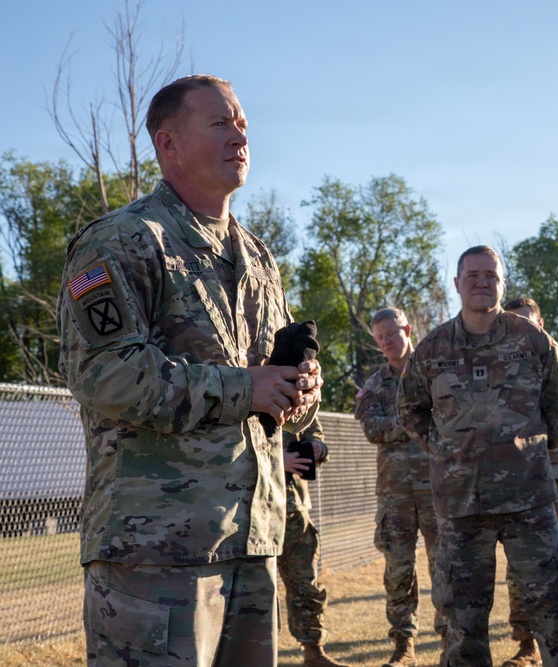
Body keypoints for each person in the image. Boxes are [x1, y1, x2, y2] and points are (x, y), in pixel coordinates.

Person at [57, 74, 323, 666]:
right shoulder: (123, 241)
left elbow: (265, 386)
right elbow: (106, 375)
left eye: (245, 125)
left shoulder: (257, 256)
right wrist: (243, 387)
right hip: (155, 549)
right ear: (168, 143)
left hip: (251, 540)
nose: (241, 136)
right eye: (221, 123)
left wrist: (296, 386)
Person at [397, 245, 558, 667]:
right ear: (457, 284)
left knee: (556, 613)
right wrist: (450, 452)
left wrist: (533, 446)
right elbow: (410, 410)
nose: (482, 282)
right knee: (463, 625)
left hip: (529, 503)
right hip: (461, 506)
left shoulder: (532, 339)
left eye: (491, 276)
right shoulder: (432, 348)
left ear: (502, 283)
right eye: (473, 276)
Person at [500, 297, 558, 667]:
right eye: (513, 322)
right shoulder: (498, 367)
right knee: (517, 566)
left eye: (527, 321)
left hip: (557, 476)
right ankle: (527, 645)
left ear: (540, 323)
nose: (520, 328)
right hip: (514, 479)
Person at [354, 307, 443, 667]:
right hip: (394, 496)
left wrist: (398, 422)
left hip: (439, 491)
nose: (387, 342)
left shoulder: (435, 373)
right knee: (398, 573)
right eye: (380, 338)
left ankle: (450, 640)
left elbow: (451, 422)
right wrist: (414, 419)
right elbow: (373, 429)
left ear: (408, 329)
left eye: (391, 333)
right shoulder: (375, 384)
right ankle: (404, 646)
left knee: (445, 569)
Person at [281, 424, 350, 667]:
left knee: (305, 584)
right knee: (252, 587)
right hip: (247, 506)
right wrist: (276, 460)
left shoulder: (297, 387)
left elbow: (313, 430)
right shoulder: (241, 387)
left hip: (294, 509)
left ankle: (313, 652)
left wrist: (318, 448)